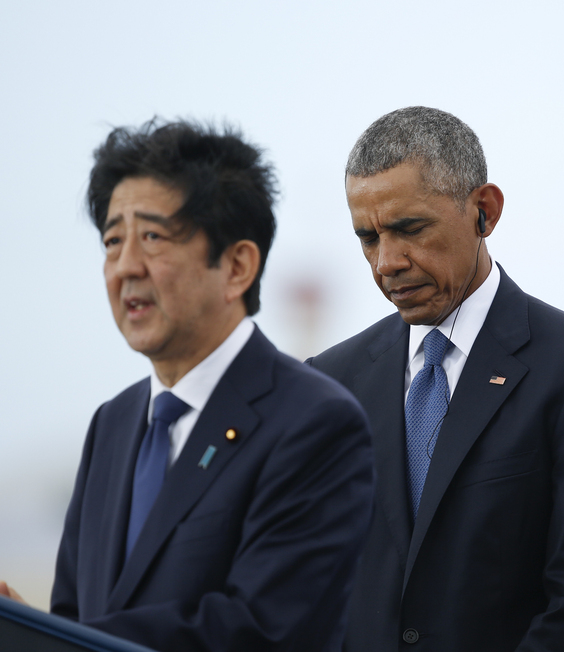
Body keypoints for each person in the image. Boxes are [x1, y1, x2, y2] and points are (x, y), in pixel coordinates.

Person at [0, 120, 375, 651]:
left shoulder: (315, 422)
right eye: (112, 241)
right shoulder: (113, 423)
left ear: (238, 265)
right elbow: (72, 616)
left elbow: (263, 632)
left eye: (152, 237)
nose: (125, 266)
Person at [308, 107, 564, 651]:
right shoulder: (328, 385)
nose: (386, 262)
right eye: (368, 239)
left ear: (483, 212)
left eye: (409, 229)